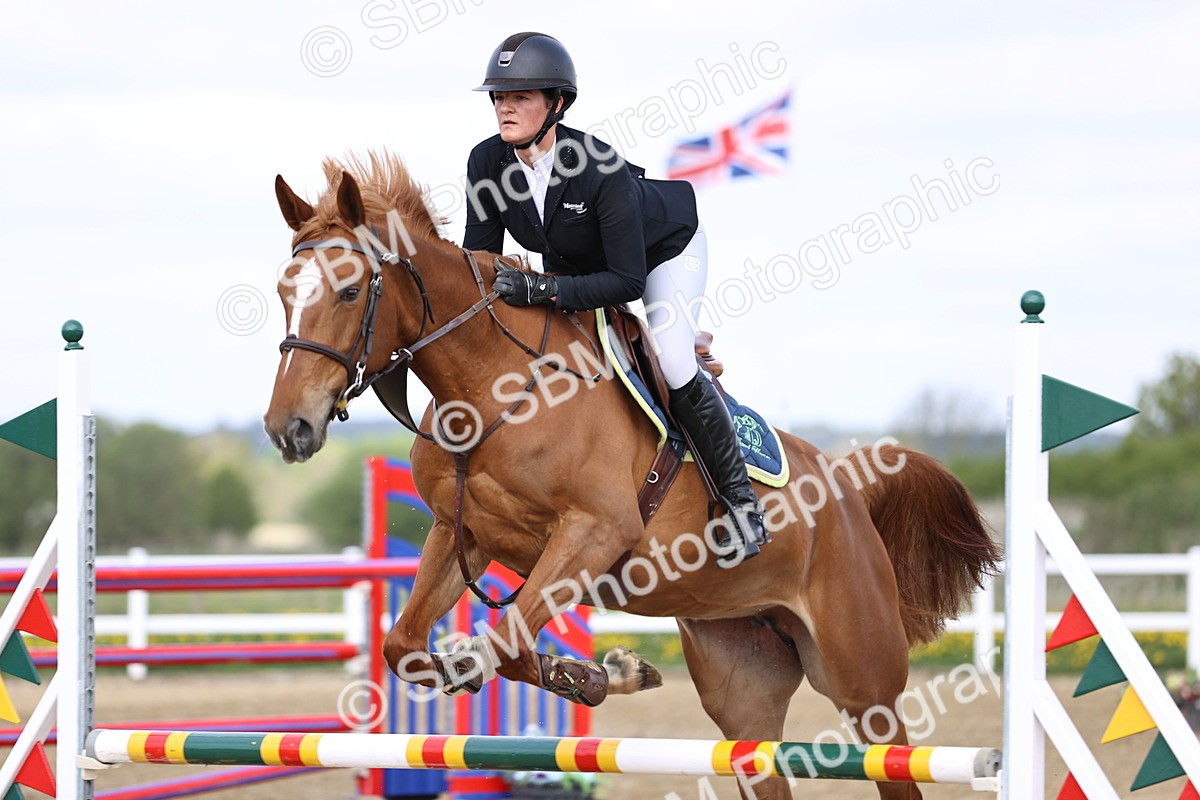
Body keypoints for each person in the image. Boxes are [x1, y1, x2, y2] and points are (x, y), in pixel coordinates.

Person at [462, 31, 767, 567]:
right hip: (580, 262)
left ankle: (742, 505)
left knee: (672, 359)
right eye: (499, 98)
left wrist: (543, 288)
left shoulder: (597, 166)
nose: (504, 108)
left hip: (662, 253)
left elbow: (626, 281)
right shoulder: (488, 163)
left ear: (556, 104)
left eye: (521, 98)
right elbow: (478, 264)